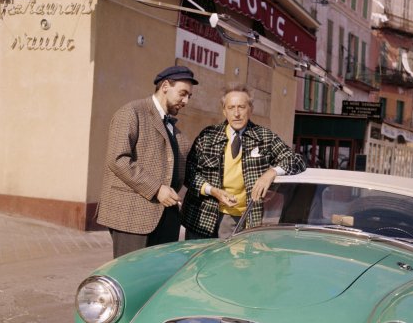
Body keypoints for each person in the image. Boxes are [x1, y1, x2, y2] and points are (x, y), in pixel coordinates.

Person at [97, 65, 198, 258]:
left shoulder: (178, 134)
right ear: (166, 86)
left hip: (167, 220)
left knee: (158, 279)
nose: (186, 101)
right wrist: (157, 189)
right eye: (183, 94)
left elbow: (185, 174)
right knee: (131, 277)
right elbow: (118, 159)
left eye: (189, 96)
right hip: (132, 217)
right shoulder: (131, 112)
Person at [181, 84, 306, 239]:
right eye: (231, 107)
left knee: (228, 262)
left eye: (242, 107)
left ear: (250, 109)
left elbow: (297, 161)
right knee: (197, 262)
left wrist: (271, 172)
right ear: (224, 111)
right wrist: (212, 190)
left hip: (240, 219)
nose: (237, 113)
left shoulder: (264, 137)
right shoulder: (207, 136)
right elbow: (188, 173)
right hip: (201, 216)